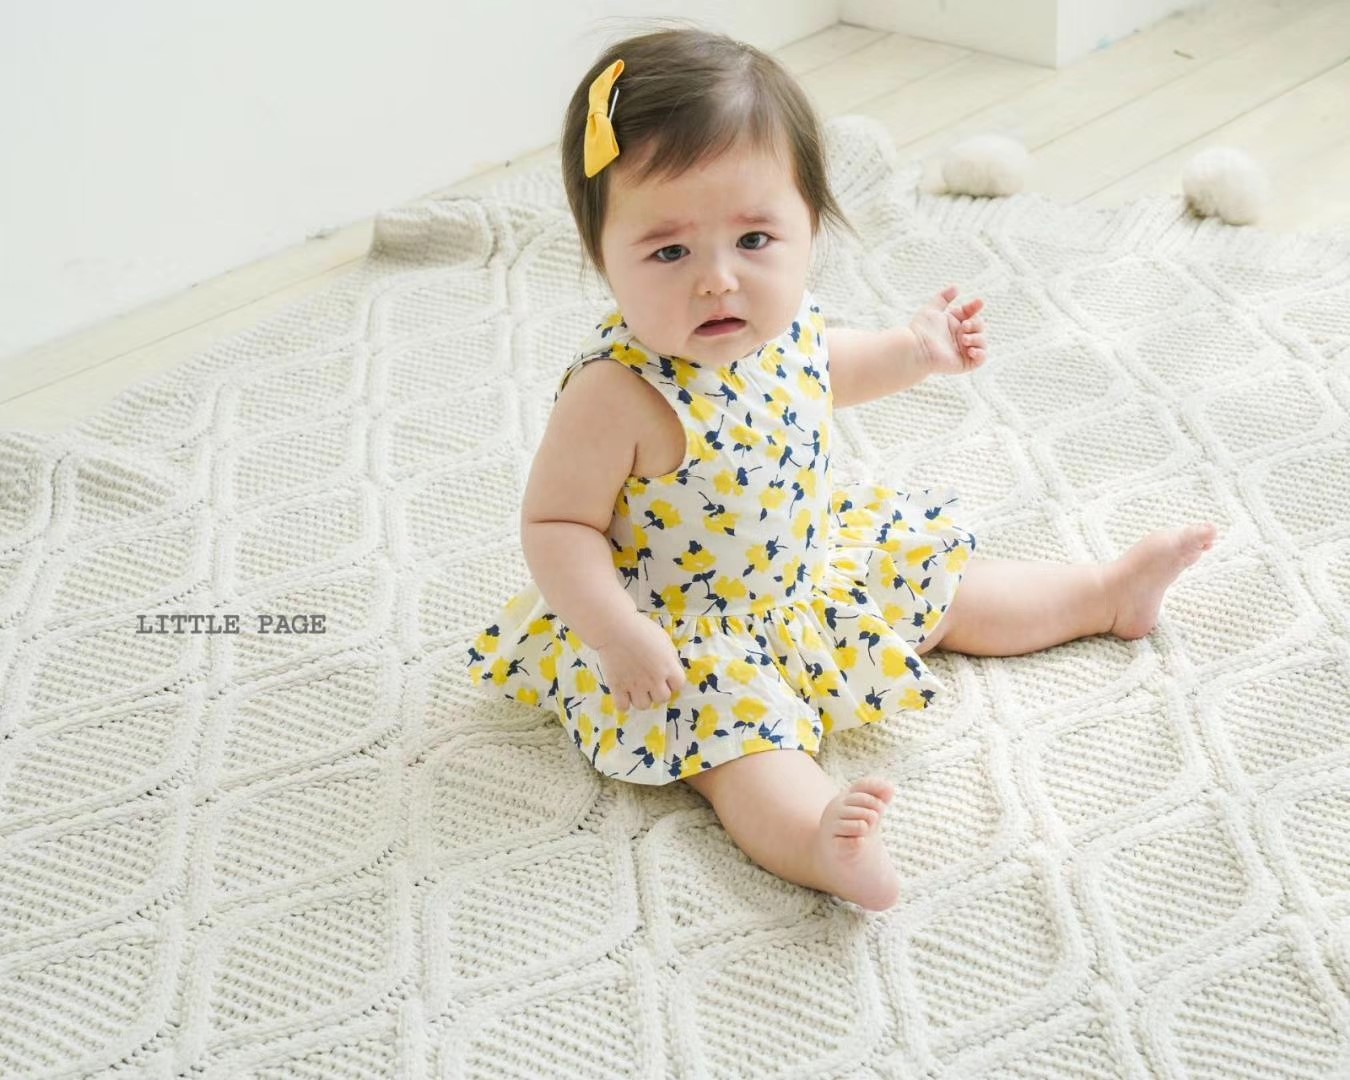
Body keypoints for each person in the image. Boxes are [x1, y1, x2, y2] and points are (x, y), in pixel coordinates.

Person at [466, 26, 1217, 912]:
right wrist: (616, 631)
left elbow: (833, 369)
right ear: (602, 255)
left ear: (808, 226)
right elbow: (557, 525)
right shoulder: (615, 393)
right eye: (669, 252)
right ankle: (816, 840)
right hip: (685, 635)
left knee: (944, 583)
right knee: (739, 744)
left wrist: (916, 351)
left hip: (810, 569)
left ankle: (1103, 594)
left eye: (755, 239)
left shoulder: (786, 328)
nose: (718, 280)